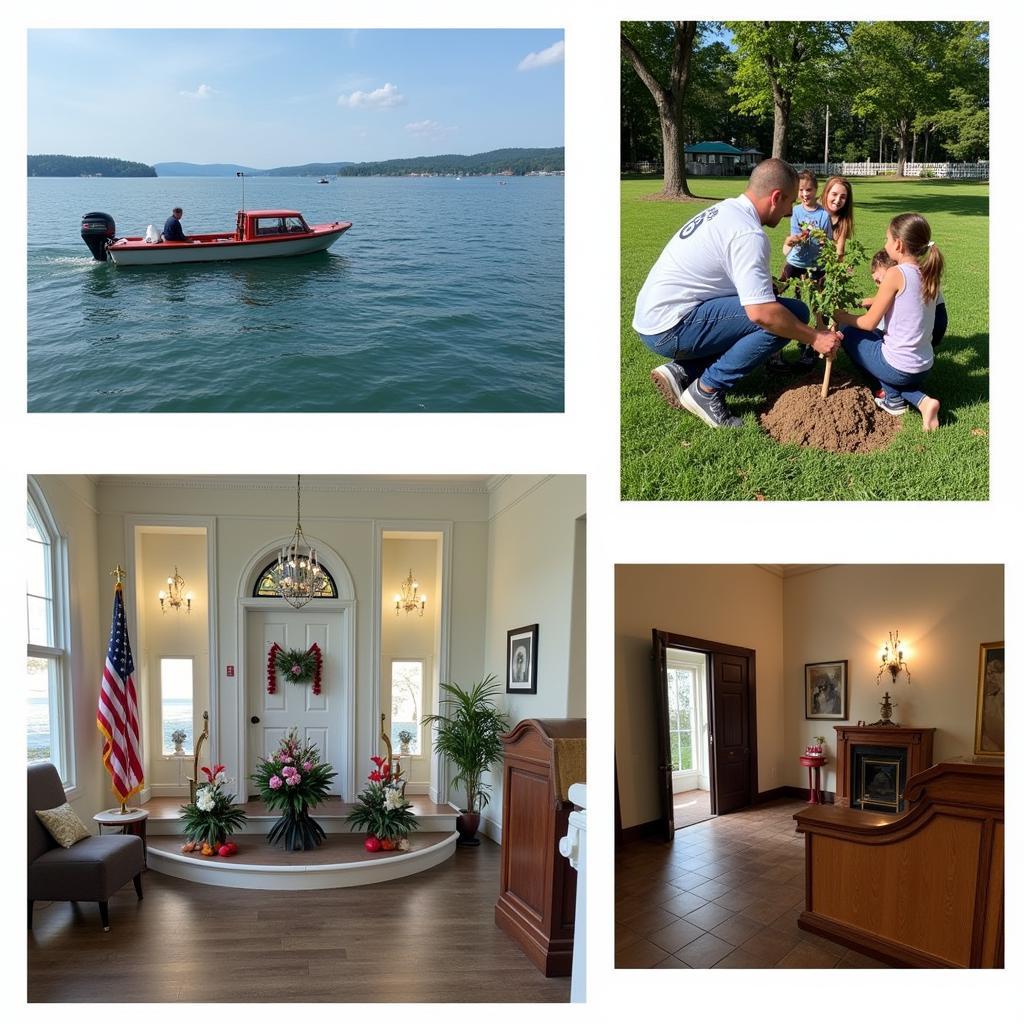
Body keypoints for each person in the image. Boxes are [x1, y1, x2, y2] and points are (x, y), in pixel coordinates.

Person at [633, 158, 842, 429]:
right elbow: (761, 314)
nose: (790, 211)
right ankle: (706, 390)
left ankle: (683, 371)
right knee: (786, 315)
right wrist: (815, 337)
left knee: (785, 310)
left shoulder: (727, 210)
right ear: (776, 197)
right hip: (669, 328)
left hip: (655, 317)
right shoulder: (748, 234)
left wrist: (767, 285)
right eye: (790, 202)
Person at [832, 213, 943, 431]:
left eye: (887, 239)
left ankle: (891, 398)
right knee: (881, 344)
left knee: (848, 331)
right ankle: (923, 401)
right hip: (924, 366)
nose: (885, 244)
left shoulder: (895, 273)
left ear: (899, 244)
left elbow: (868, 323)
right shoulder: (929, 274)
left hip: (899, 367)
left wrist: (841, 317)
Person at [767, 168, 833, 373]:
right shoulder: (795, 211)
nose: (805, 194)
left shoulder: (823, 214)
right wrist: (797, 239)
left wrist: (823, 242)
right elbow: (794, 236)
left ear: (816, 190)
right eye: (802, 190)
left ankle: (815, 345)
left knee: (819, 304)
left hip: (817, 265)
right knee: (776, 291)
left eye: (809, 190)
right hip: (795, 261)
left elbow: (828, 241)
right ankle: (773, 348)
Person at [866, 249, 948, 348]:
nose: (878, 286)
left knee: (864, 328)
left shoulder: (901, 278)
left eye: (879, 281)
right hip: (934, 327)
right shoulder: (914, 273)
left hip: (929, 329)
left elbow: (870, 322)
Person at [820, 176, 854, 259]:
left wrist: (842, 267)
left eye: (843, 197)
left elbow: (840, 252)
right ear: (826, 193)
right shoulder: (812, 212)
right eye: (834, 194)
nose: (838, 200)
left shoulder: (843, 220)